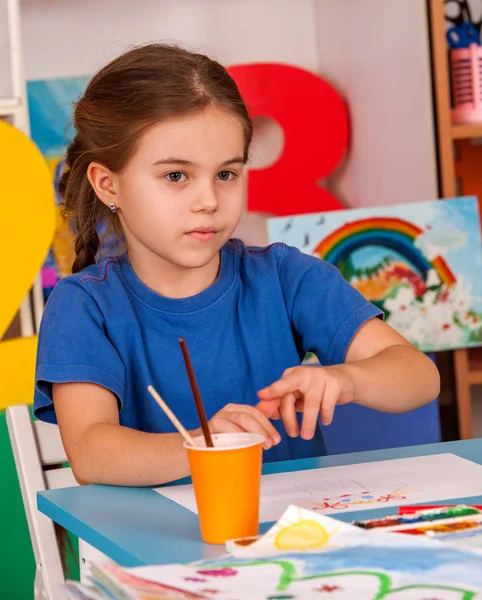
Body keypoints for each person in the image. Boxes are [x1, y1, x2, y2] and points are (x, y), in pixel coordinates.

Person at [34, 44, 440, 487]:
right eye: (176, 176)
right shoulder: (84, 306)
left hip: (293, 541)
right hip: (151, 550)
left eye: (226, 174)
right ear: (107, 183)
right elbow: (93, 453)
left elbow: (419, 376)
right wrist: (202, 446)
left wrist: (349, 378)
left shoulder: (286, 277)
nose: (209, 201)